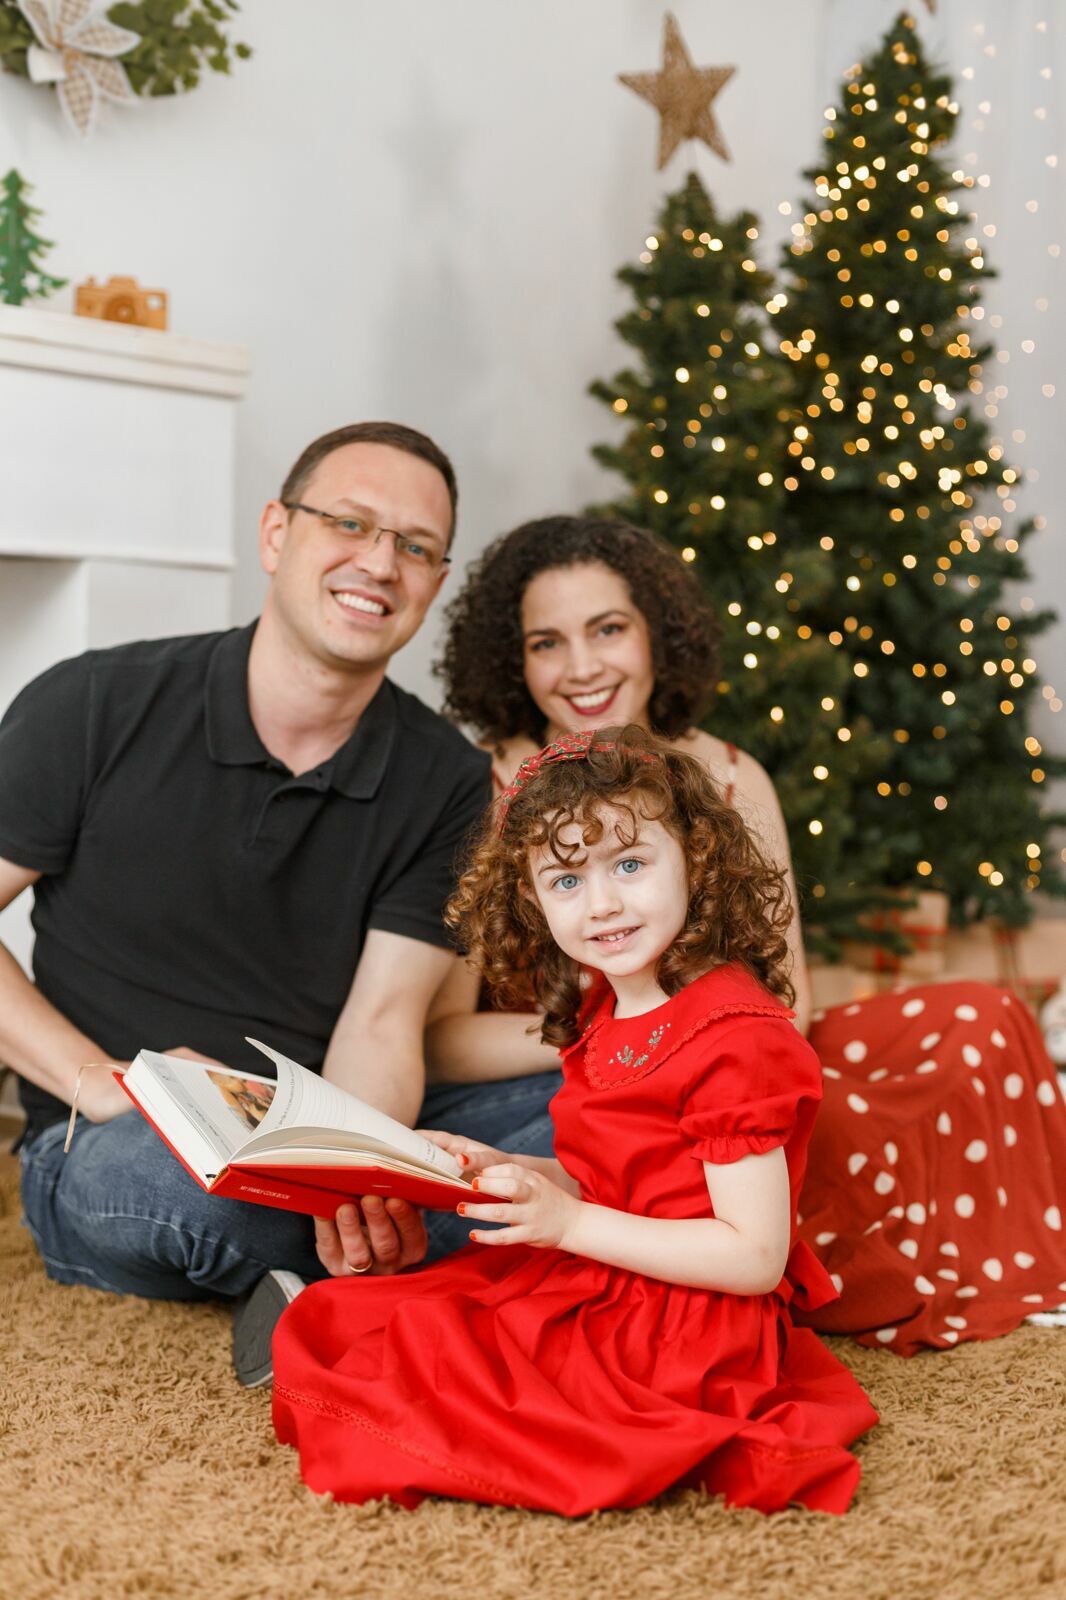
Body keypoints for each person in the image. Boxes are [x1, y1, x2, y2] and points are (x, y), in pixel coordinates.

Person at [427, 514, 1066, 1356]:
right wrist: (618, 1039)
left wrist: (691, 1044)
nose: (582, 667)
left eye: (609, 629)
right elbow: (440, 1045)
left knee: (981, 1022)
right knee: (594, 1152)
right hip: (568, 1089)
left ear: (659, 636)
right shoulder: (482, 787)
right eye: (547, 642)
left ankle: (812, 1229)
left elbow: (786, 1002)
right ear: (513, 661)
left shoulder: (730, 776)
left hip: (727, 1067)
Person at [0, 422, 559, 1341]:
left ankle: (347, 1272)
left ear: (434, 584)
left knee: (608, 1111)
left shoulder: (447, 777)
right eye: (349, 523)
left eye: (414, 547)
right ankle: (435, 1274)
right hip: (114, 1138)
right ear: (275, 535)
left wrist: (353, 1180)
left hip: (325, 1115)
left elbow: (384, 1021)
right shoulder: (95, 703)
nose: (379, 563)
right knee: (183, 1184)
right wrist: (107, 1083)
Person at [272, 727, 879, 1515]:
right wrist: (508, 1169)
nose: (602, 904)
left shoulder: (737, 1039)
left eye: (630, 865)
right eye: (565, 879)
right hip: (610, 1276)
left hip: (685, 1327)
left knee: (453, 1366)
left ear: (694, 860)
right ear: (530, 896)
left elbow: (754, 1256)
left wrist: (565, 1225)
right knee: (369, 1318)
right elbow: (619, 1182)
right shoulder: (599, 1015)